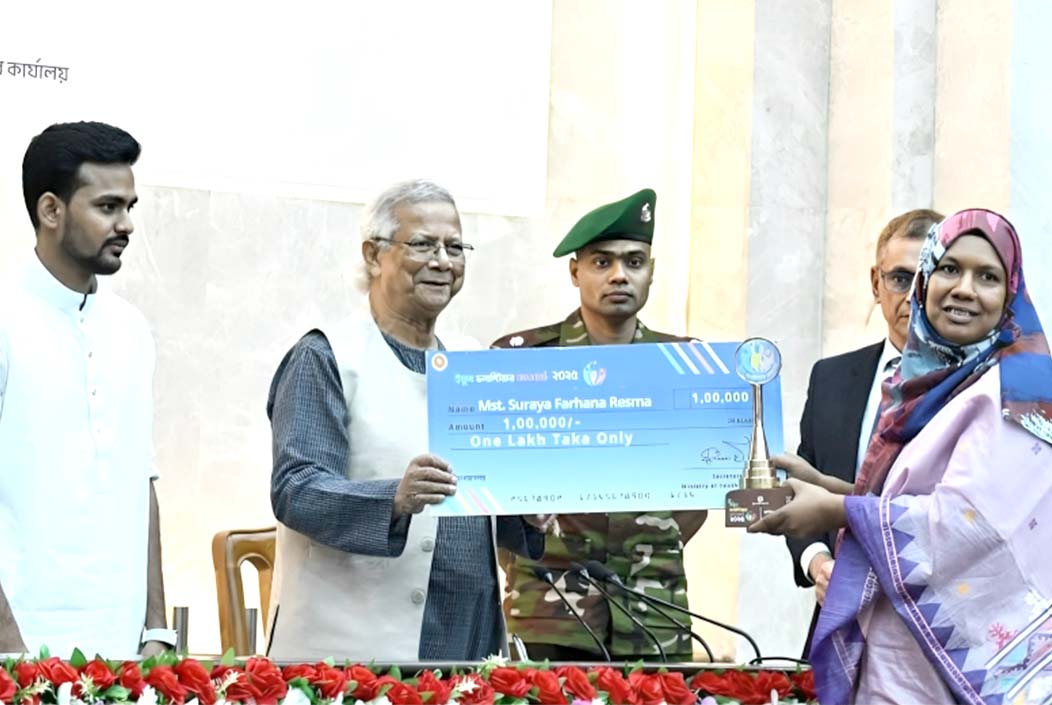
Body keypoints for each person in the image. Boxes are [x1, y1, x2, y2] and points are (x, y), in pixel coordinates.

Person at [750, 209, 1052, 704]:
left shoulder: (1023, 389)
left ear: (1011, 297)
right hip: (899, 660)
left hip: (964, 673)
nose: (963, 288)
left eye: (988, 276)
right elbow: (917, 495)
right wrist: (831, 486)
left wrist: (836, 509)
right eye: (950, 269)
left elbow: (969, 523)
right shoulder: (927, 383)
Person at [266, 179, 549, 661]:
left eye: (456, 247)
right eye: (423, 244)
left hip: (469, 637)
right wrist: (393, 499)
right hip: (354, 649)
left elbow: (486, 499)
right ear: (374, 255)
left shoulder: (477, 363)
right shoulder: (327, 356)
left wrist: (525, 509)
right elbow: (297, 488)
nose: (443, 261)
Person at [492, 188, 708, 661]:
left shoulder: (689, 366)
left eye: (634, 262)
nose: (619, 276)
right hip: (549, 606)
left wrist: (647, 529)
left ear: (652, 271)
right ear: (575, 271)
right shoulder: (521, 362)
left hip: (655, 608)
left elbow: (701, 491)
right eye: (601, 262)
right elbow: (493, 487)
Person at [0, 122, 171, 658]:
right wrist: (10, 647)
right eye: (107, 207)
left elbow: (140, 479)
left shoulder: (131, 329)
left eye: (130, 207)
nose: (125, 225)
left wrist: (157, 630)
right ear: (51, 211)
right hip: (20, 647)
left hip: (123, 656)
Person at [787, 209, 941, 654]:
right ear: (876, 283)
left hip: (936, 635)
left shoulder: (980, 388)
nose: (913, 295)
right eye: (899, 278)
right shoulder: (831, 379)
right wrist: (818, 563)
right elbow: (800, 489)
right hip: (839, 630)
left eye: (929, 277)